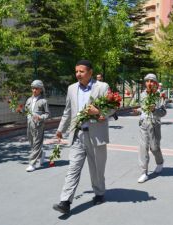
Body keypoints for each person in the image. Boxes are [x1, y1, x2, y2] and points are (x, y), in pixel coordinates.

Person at [53, 60, 113, 214]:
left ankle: (99, 193)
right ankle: (65, 201)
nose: (78, 74)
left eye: (82, 71)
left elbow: (112, 108)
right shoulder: (72, 88)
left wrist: (98, 112)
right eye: (76, 71)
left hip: (96, 135)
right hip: (77, 134)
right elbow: (68, 111)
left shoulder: (102, 87)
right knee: (73, 167)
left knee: (97, 169)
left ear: (90, 72)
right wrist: (61, 129)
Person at [134, 73, 166, 183]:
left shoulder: (160, 95)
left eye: (152, 81)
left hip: (154, 124)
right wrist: (137, 111)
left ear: (155, 83)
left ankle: (160, 162)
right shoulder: (142, 94)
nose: (149, 83)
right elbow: (143, 109)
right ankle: (144, 172)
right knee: (143, 147)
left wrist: (154, 110)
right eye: (147, 81)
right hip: (143, 124)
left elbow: (163, 112)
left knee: (154, 148)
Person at [25, 80, 50, 172]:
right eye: (33, 88)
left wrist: (40, 117)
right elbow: (26, 111)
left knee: (37, 144)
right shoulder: (28, 100)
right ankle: (41, 154)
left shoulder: (43, 101)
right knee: (32, 143)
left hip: (39, 125)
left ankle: (32, 164)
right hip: (29, 124)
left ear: (40, 89)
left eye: (36, 88)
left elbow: (47, 114)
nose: (34, 90)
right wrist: (20, 110)